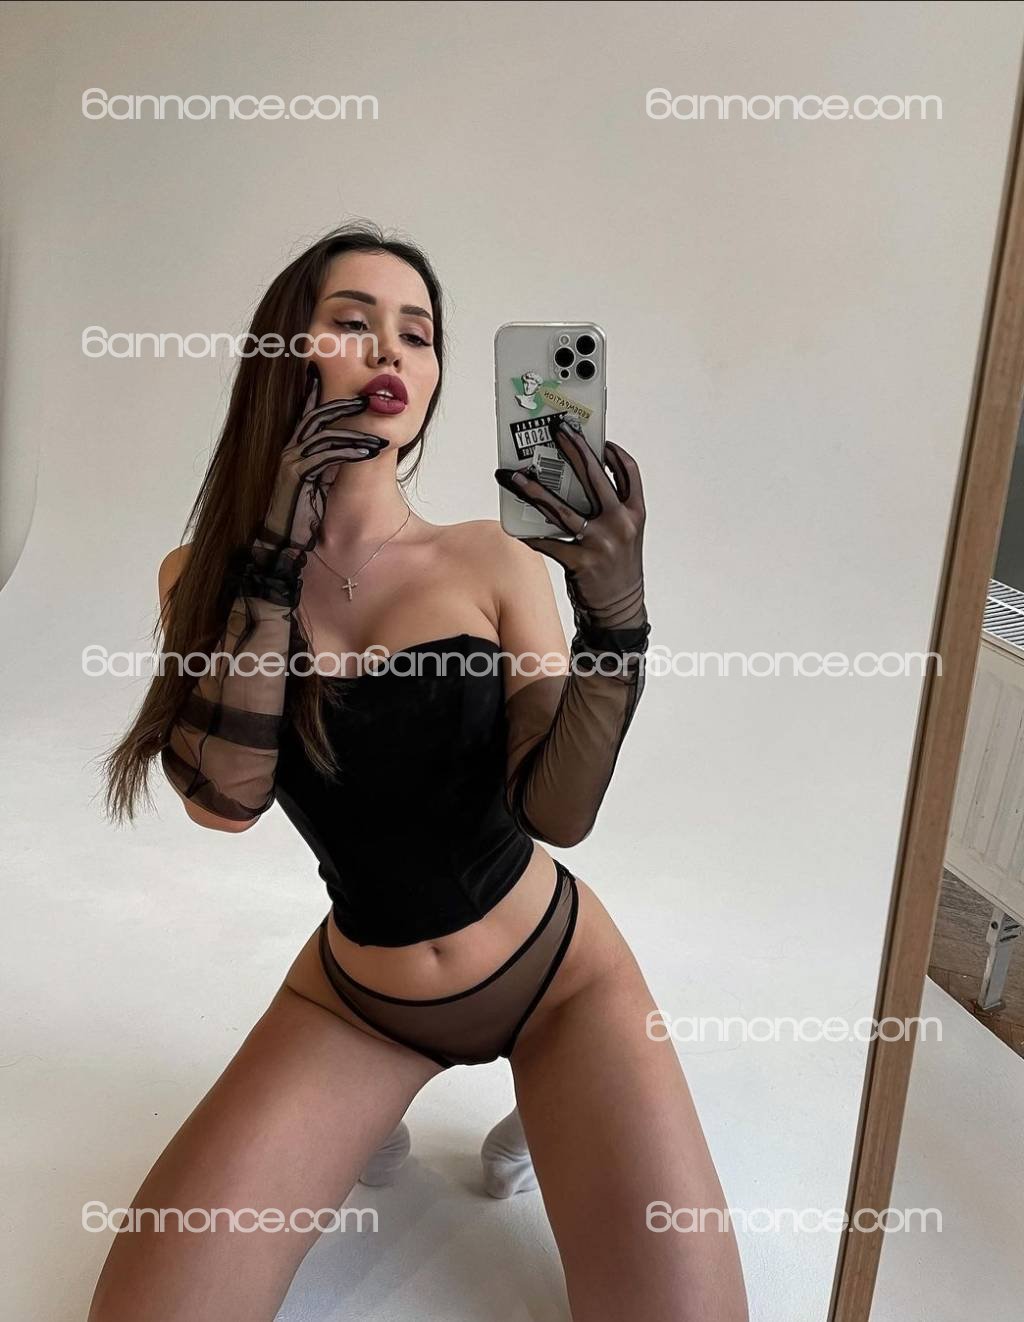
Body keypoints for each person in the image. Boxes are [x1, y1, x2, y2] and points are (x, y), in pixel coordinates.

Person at [92, 223, 748, 1322]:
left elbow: (557, 813)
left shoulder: (490, 557)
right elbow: (226, 803)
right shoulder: (197, 578)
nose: (391, 351)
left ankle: (549, 1109)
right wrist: (269, 567)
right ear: (285, 355)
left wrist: (616, 622)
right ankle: (373, 1114)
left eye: (419, 333)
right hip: (359, 1002)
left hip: (558, 978)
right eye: (353, 322)